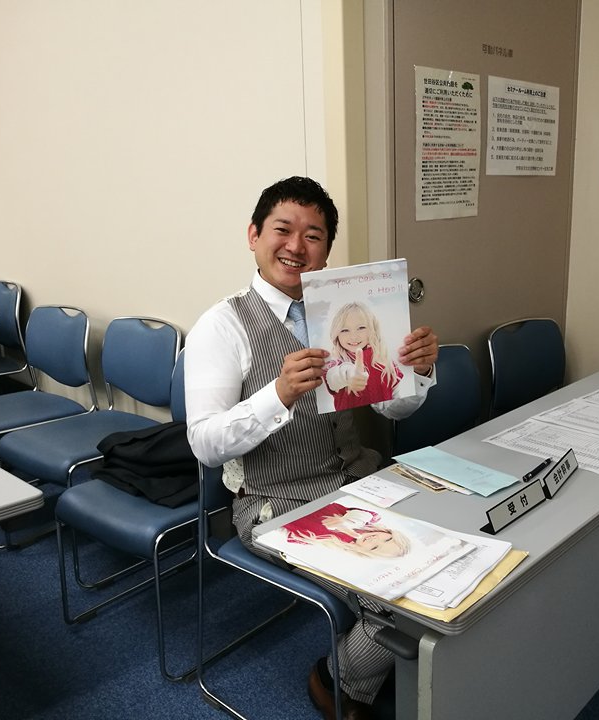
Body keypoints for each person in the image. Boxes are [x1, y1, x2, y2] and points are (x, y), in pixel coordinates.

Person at [184, 176, 438, 720]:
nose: (296, 246)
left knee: (452, 554)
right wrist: (276, 395)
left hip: (361, 480)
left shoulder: (345, 312)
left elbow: (392, 411)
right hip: (277, 502)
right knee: (401, 602)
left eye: (314, 236)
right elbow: (204, 444)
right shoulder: (222, 325)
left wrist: (414, 373)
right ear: (254, 236)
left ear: (326, 251)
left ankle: (398, 667)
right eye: (283, 229)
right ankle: (336, 680)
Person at [324, 302, 403, 410]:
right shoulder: (336, 362)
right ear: (336, 334)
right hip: (350, 419)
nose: (353, 336)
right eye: (345, 330)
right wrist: (348, 375)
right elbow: (333, 378)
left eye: (361, 328)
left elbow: (397, 400)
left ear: (372, 329)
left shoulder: (385, 361)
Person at [283, 501, 412, 558]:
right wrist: (347, 522)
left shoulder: (328, 542)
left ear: (362, 551)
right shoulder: (370, 519)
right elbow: (362, 514)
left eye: (374, 547)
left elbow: (286, 534)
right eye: (388, 540)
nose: (375, 540)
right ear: (388, 532)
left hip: (284, 511)